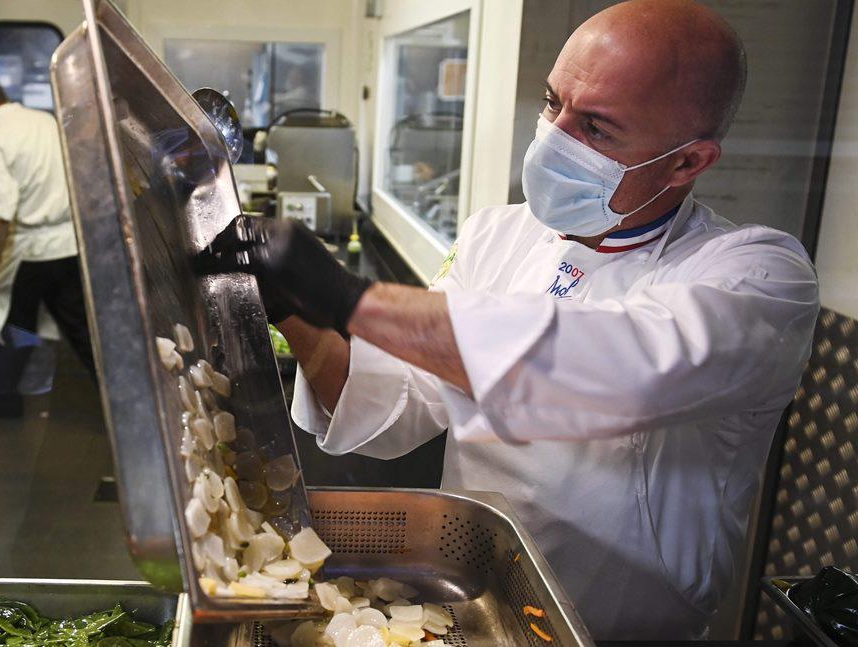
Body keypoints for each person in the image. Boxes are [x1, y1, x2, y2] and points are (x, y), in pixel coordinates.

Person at [198, 0, 819, 640]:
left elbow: (615, 369)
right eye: (553, 103)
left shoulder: (760, 277)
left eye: (596, 128)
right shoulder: (498, 234)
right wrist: (293, 310)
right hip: (479, 607)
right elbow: (398, 405)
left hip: (620, 634)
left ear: (687, 162)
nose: (554, 136)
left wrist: (347, 297)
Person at [0, 69, 96, 380]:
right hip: (71, 247)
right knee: (83, 333)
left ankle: (1, 400)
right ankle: (120, 395)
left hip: (33, 254)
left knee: (13, 332)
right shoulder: (45, 122)